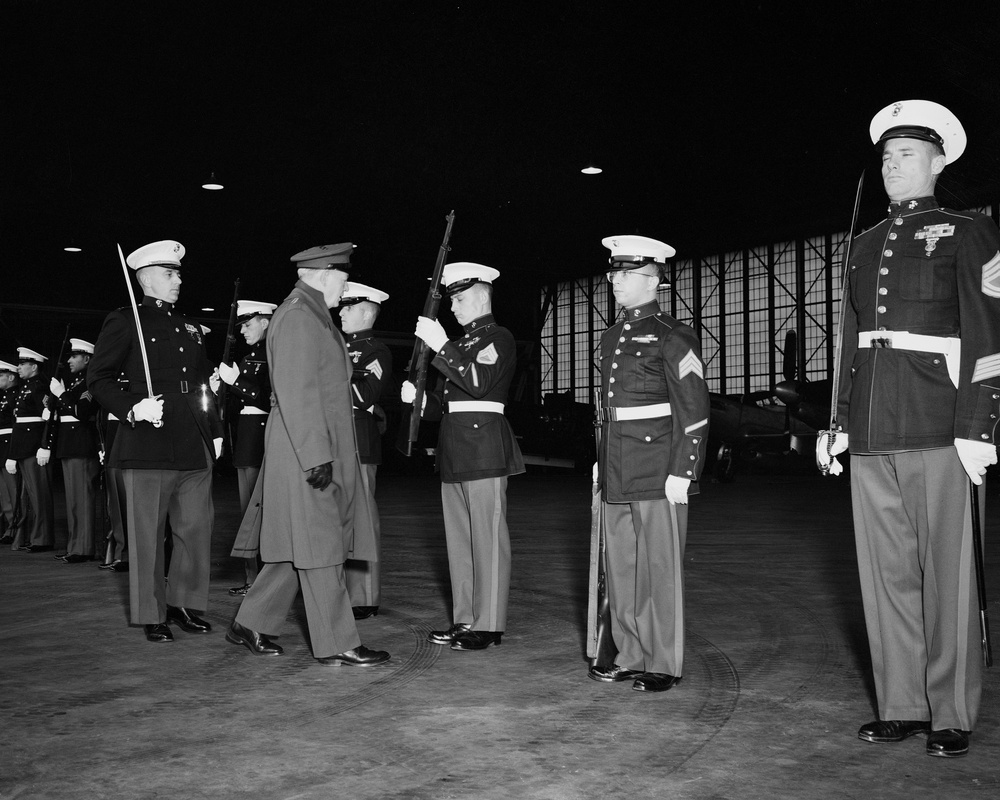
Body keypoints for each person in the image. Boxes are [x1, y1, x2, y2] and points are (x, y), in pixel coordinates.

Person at [817, 100, 1000, 758]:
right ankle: (901, 703)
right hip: (870, 424)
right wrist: (836, 422)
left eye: (908, 155)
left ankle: (952, 712)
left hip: (940, 420)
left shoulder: (966, 233)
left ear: (939, 160)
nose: (894, 166)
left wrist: (980, 422)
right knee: (885, 573)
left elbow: (989, 332)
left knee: (947, 573)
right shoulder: (863, 246)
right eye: (888, 156)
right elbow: (849, 343)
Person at [226, 242, 390, 667]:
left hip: (309, 444)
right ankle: (338, 640)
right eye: (343, 278)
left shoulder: (310, 312)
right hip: (306, 448)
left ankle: (251, 621)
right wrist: (317, 454)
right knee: (320, 544)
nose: (345, 286)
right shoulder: (300, 315)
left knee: (294, 546)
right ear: (321, 275)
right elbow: (297, 393)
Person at [587, 235, 709, 693]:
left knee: (659, 568)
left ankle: (663, 661)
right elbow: (609, 407)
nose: (614, 281)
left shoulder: (673, 335)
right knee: (621, 567)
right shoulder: (612, 335)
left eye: (624, 273)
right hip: (618, 462)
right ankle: (630, 652)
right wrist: (602, 461)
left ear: (652, 278)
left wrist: (685, 468)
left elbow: (693, 407)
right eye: (613, 273)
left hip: (659, 466)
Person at [87, 240, 223, 643]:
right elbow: (98, 379)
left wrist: (214, 429)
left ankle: (183, 602)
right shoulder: (124, 320)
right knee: (147, 534)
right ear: (146, 279)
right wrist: (131, 407)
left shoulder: (189, 326)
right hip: (148, 439)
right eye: (169, 273)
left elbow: (202, 386)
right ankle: (152, 612)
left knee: (195, 529)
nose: (178, 279)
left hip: (192, 439)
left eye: (178, 273)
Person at [403, 262, 525, 651]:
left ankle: (489, 624)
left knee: (487, 538)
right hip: (455, 447)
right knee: (460, 540)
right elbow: (445, 404)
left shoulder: (499, 338)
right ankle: (465, 618)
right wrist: (421, 402)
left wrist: (442, 345)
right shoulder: (462, 344)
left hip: (485, 447)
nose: (453, 307)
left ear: (482, 296)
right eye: (451, 299)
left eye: (459, 298)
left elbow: (479, 383)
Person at [213, 299, 276, 596]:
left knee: (262, 514)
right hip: (247, 440)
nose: (243, 332)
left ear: (265, 321)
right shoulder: (251, 354)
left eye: (248, 324)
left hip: (262, 440)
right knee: (247, 514)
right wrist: (221, 387)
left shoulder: (274, 352)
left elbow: (267, 400)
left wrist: (237, 381)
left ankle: (265, 580)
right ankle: (253, 578)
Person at [338, 281, 392, 620]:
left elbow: (364, 395)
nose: (340, 312)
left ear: (365, 311)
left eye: (347, 307)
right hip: (334, 441)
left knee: (361, 521)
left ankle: (364, 597)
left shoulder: (376, 350)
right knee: (336, 521)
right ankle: (339, 590)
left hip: (359, 444)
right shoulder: (334, 345)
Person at [45, 338, 101, 563]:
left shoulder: (90, 383)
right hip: (69, 446)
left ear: (86, 359)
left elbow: (81, 410)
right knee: (73, 500)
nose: (69, 360)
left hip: (82, 445)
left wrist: (61, 394)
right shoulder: (75, 383)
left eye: (73, 356)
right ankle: (75, 545)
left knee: (83, 499)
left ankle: (84, 548)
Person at [5, 347, 55, 552]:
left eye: (22, 364)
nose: (18, 367)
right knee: (30, 497)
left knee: (39, 496)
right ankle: (34, 537)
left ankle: (42, 539)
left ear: (33, 367)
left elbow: (49, 416)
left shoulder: (39, 387)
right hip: (24, 447)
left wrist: (45, 446)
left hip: (34, 448)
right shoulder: (26, 386)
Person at [0, 360, 22, 544]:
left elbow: (17, 424)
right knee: (3, 491)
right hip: (2, 444)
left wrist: (14, 452)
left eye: (1, 375)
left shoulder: (16, 396)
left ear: (11, 377)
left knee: (13, 489)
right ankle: (9, 525)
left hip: (10, 444)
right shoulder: (4, 395)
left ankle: (16, 527)